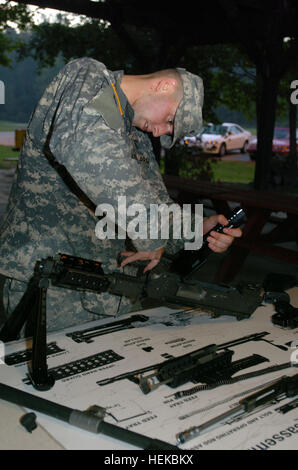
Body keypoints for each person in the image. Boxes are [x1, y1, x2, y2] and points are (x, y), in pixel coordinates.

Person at [0, 57, 242, 333]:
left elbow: (157, 204)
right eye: (169, 120)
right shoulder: (90, 78)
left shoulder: (133, 135)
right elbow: (86, 147)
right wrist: (152, 231)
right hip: (52, 286)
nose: (160, 131)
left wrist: (197, 228)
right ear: (165, 85)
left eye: (169, 131)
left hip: (111, 289)